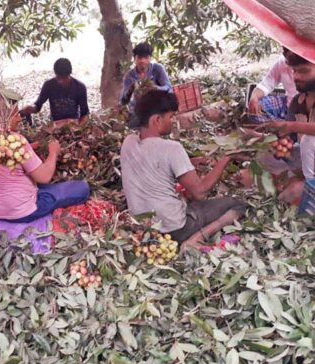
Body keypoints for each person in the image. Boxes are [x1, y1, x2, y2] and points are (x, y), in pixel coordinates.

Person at [120, 91, 247, 248]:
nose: (173, 121)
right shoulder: (172, 148)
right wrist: (226, 158)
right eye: (171, 116)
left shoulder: (128, 142)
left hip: (143, 229)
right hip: (175, 228)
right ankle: (197, 238)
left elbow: (152, 163)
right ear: (157, 120)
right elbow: (200, 193)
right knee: (238, 205)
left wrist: (189, 162)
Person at [0, 96, 90, 223]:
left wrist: (31, 147)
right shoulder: (17, 141)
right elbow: (44, 177)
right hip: (22, 212)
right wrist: (53, 152)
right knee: (82, 188)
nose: (20, 118)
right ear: (1, 119)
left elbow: (5, 157)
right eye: (15, 114)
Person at [255, 51, 315, 203]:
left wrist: (291, 125)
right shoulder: (298, 101)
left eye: (304, 71)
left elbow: (296, 130)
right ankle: (292, 180)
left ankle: (303, 187)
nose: (296, 77)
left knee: (308, 140)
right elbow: (288, 139)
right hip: (307, 160)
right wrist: (260, 140)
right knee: (264, 154)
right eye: (294, 71)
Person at [20, 58, 90, 126]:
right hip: (56, 123)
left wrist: (79, 127)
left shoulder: (80, 87)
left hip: (73, 122)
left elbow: (85, 113)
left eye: (64, 78)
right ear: (55, 74)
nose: (61, 81)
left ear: (70, 74)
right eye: (59, 78)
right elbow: (38, 106)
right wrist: (30, 108)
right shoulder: (49, 85)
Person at [248, 47, 298, 122]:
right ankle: (283, 125)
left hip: (309, 114)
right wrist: (254, 97)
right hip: (288, 105)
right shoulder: (282, 62)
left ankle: (286, 127)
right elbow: (267, 84)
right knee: (255, 110)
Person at [120, 42, 172, 108]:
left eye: (146, 57)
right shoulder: (129, 76)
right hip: (140, 109)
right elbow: (123, 100)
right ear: (134, 59)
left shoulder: (158, 68)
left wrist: (156, 88)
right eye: (139, 57)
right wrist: (131, 90)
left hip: (158, 106)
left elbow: (168, 88)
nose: (142, 61)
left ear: (150, 58)